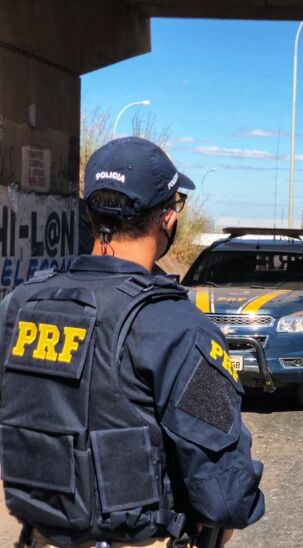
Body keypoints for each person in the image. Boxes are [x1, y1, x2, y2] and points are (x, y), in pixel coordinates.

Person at [0, 137, 264, 547]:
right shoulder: (177, 327)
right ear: (167, 219)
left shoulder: (19, 304)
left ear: (88, 213)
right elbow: (226, 497)